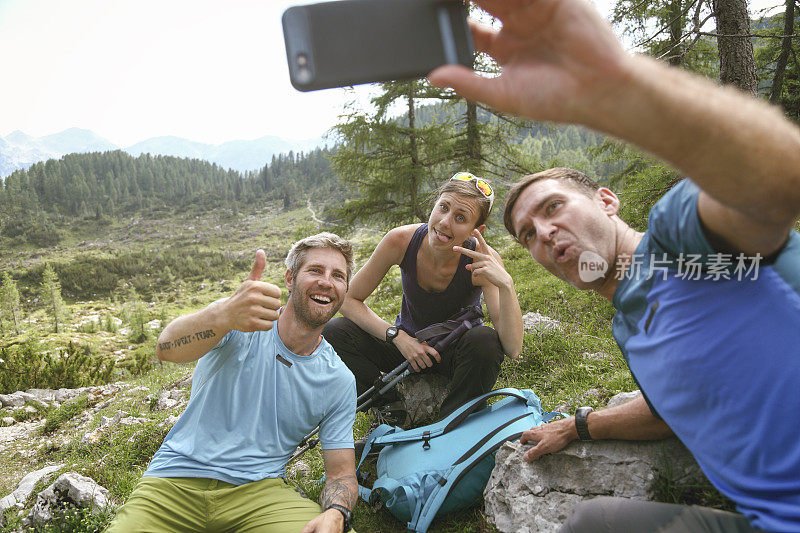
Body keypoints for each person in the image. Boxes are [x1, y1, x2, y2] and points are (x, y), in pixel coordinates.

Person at [427, 0, 800, 531]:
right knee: (594, 523)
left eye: (553, 207)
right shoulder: (627, 325)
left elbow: (778, 174)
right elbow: (670, 412)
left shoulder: (680, 242)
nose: (545, 233)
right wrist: (578, 427)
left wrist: (620, 87)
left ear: (607, 201)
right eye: (528, 235)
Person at [106, 233, 359, 533]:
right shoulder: (239, 321)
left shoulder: (338, 380)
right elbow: (167, 348)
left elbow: (341, 474)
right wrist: (223, 315)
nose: (326, 282)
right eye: (315, 270)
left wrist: (336, 512)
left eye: (338, 276)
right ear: (290, 278)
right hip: (173, 482)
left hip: (260, 495)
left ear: (344, 290)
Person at [323, 173, 523, 422]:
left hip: (454, 353)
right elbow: (349, 299)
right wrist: (398, 337)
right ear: (435, 205)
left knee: (486, 340)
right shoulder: (400, 241)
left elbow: (512, 348)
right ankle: (389, 409)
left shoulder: (481, 260)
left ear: (475, 231)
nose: (445, 222)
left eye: (460, 218)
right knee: (334, 331)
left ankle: (454, 421)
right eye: (444, 207)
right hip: (406, 347)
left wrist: (506, 283)